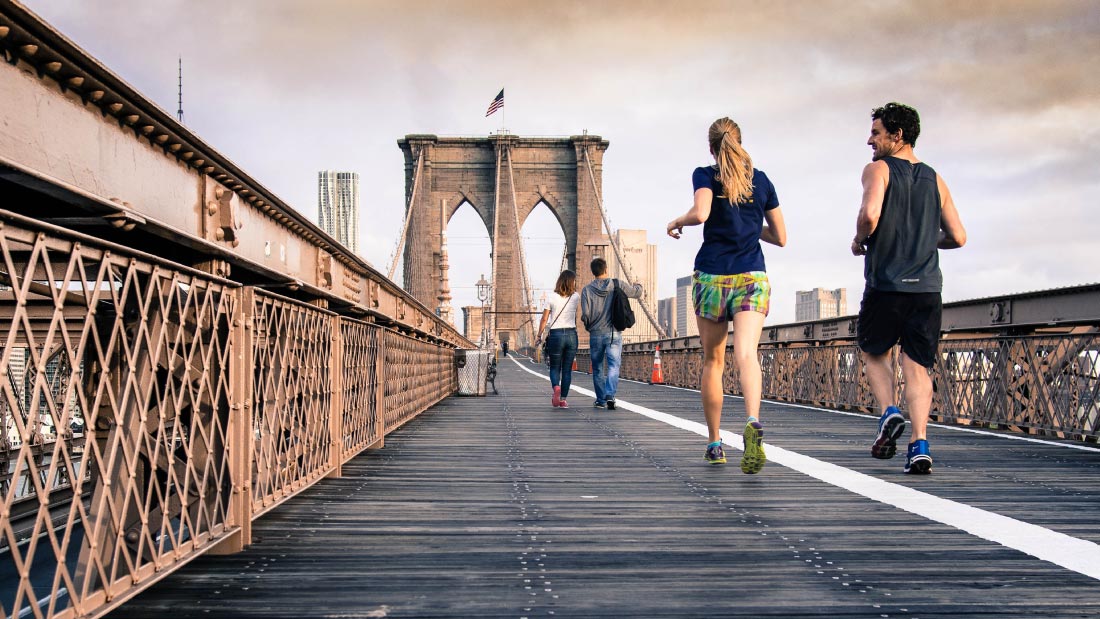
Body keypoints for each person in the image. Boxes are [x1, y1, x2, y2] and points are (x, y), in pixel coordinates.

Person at [666, 117, 786, 473]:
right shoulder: (761, 180)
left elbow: (701, 212)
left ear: (711, 147)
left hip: (713, 276)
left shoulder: (705, 174)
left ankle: (715, 443)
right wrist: (750, 226)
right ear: (739, 141)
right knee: (747, 354)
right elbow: (780, 237)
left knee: (713, 362)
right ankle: (752, 419)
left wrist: (677, 221)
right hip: (752, 275)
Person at [852, 102, 966, 475]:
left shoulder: (878, 170)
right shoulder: (936, 178)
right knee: (917, 368)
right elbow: (958, 237)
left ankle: (888, 413)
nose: (870, 140)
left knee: (873, 352)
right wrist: (923, 242)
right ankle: (919, 445)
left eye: (876, 133)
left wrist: (859, 240)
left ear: (896, 136)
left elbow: (870, 215)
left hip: (887, 283)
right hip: (928, 289)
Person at [580, 257, 642, 410]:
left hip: (595, 334)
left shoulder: (586, 290)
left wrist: (590, 327)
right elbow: (636, 293)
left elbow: (585, 315)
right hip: (614, 333)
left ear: (592, 272)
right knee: (614, 365)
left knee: (598, 367)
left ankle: (601, 400)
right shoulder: (617, 284)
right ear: (606, 269)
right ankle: (610, 395)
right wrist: (638, 284)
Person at [535, 270, 580, 408]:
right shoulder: (576, 296)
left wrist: (539, 335)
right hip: (572, 335)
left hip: (556, 335)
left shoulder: (551, 297)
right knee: (567, 370)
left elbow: (544, 319)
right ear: (572, 282)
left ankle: (556, 388)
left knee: (554, 367)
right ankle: (563, 400)